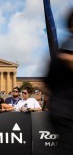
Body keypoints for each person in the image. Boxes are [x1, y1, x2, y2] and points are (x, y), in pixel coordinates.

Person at [45, 9, 73, 155]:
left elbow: (46, 85)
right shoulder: (69, 46)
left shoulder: (60, 50)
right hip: (67, 111)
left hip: (60, 110)